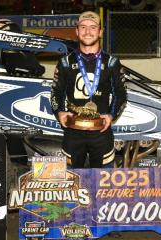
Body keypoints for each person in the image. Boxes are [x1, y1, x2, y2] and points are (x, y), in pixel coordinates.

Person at [51, 11, 127, 168]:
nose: (87, 32)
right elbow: (55, 93)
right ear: (77, 31)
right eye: (83, 27)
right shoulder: (65, 62)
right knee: (72, 182)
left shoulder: (112, 63)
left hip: (101, 132)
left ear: (100, 32)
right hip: (72, 131)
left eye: (93, 27)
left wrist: (111, 116)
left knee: (102, 183)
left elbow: (121, 94)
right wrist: (59, 112)